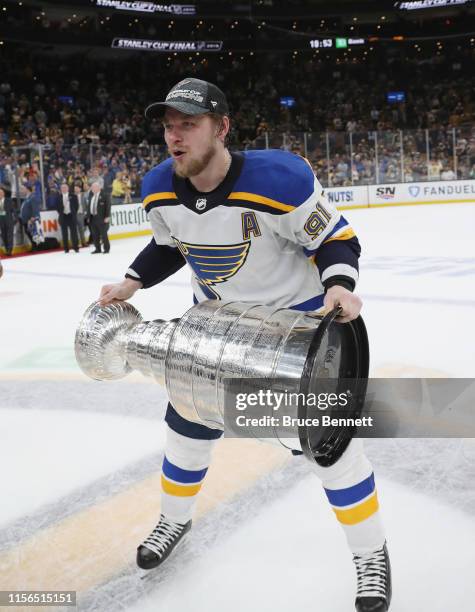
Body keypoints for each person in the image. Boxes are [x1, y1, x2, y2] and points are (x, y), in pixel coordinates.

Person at [98, 78, 391, 612]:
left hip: (298, 337)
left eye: (189, 124)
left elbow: (334, 238)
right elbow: (171, 246)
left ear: (222, 127)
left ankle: (371, 557)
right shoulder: (158, 186)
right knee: (185, 431)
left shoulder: (280, 177)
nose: (175, 136)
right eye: (169, 125)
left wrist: (339, 284)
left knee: (336, 455)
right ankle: (173, 521)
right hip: (215, 334)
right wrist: (132, 281)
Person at [55, 183, 79, 253]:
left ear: (68, 188)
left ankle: (76, 247)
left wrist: (73, 212)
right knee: (64, 233)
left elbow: (76, 206)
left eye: (65, 187)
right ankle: (66, 248)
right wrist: (62, 213)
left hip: (71, 216)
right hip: (63, 217)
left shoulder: (73, 196)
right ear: (60, 189)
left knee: (74, 233)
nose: (64, 189)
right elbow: (57, 207)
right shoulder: (58, 197)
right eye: (62, 188)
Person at [87, 181, 111, 254]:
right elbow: (89, 207)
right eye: (92, 187)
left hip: (102, 218)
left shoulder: (105, 195)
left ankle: (106, 248)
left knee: (103, 234)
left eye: (94, 187)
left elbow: (108, 206)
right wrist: (88, 217)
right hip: (92, 218)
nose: (92, 188)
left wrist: (107, 216)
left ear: (99, 187)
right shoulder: (91, 196)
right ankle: (97, 248)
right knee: (95, 234)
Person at [0, 187, 14, 256]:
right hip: (1, 222)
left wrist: (15, 220)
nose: (0, 194)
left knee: (9, 236)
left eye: (1, 193)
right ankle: (6, 249)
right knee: (4, 236)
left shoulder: (9, 200)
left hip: (9, 220)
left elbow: (13, 210)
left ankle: (10, 250)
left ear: (4, 193)